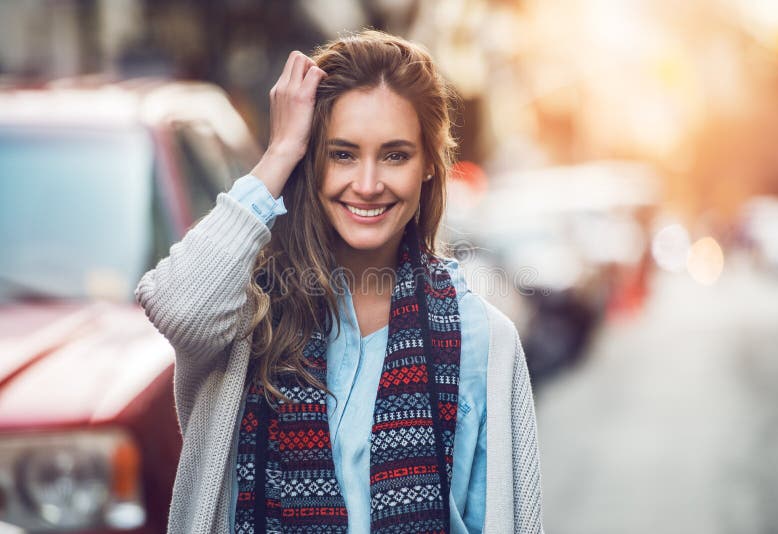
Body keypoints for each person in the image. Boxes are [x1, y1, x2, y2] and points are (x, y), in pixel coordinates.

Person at [135, 29, 544, 534]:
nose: (368, 184)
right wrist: (281, 150)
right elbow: (175, 306)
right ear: (312, 159)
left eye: (395, 155)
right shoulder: (244, 317)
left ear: (429, 167)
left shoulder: (484, 339)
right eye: (342, 154)